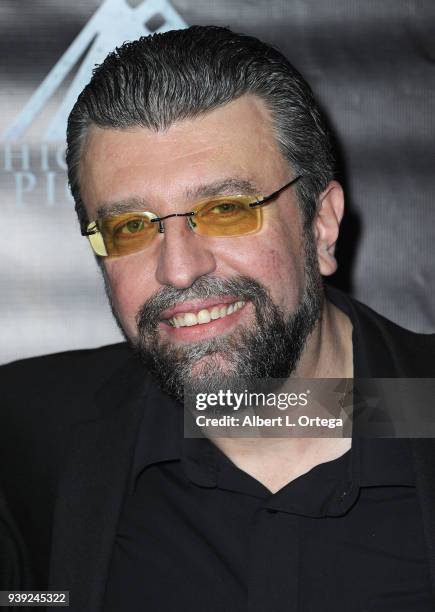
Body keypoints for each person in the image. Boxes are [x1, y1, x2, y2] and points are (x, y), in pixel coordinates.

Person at [1, 25, 434, 612]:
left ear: (322, 225)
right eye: (131, 226)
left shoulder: (419, 407)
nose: (178, 269)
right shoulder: (25, 435)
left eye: (226, 210)